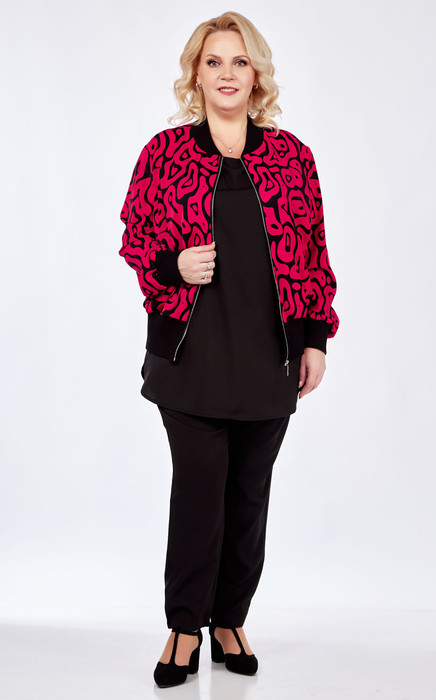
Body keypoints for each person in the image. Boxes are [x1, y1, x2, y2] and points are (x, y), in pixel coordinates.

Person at [119, 11, 339, 689]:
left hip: (269, 360)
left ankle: (230, 619)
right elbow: (134, 238)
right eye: (213, 61)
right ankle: (184, 626)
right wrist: (173, 265)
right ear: (196, 73)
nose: (226, 74)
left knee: (248, 500)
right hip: (190, 360)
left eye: (239, 61)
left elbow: (312, 252)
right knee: (198, 496)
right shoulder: (164, 153)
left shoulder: (292, 157)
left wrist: (314, 339)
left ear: (257, 74)